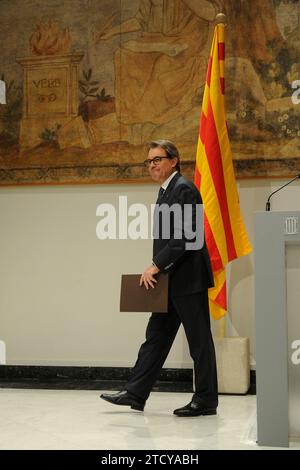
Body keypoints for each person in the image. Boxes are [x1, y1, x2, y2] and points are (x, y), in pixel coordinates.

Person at [101, 140, 218, 417]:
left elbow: (187, 236)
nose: (152, 165)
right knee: (155, 337)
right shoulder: (166, 191)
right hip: (170, 280)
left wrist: (155, 264)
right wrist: (159, 268)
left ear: (174, 160)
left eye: (157, 159)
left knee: (199, 342)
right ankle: (135, 393)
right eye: (149, 161)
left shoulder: (184, 189)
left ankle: (206, 400)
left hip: (188, 280)